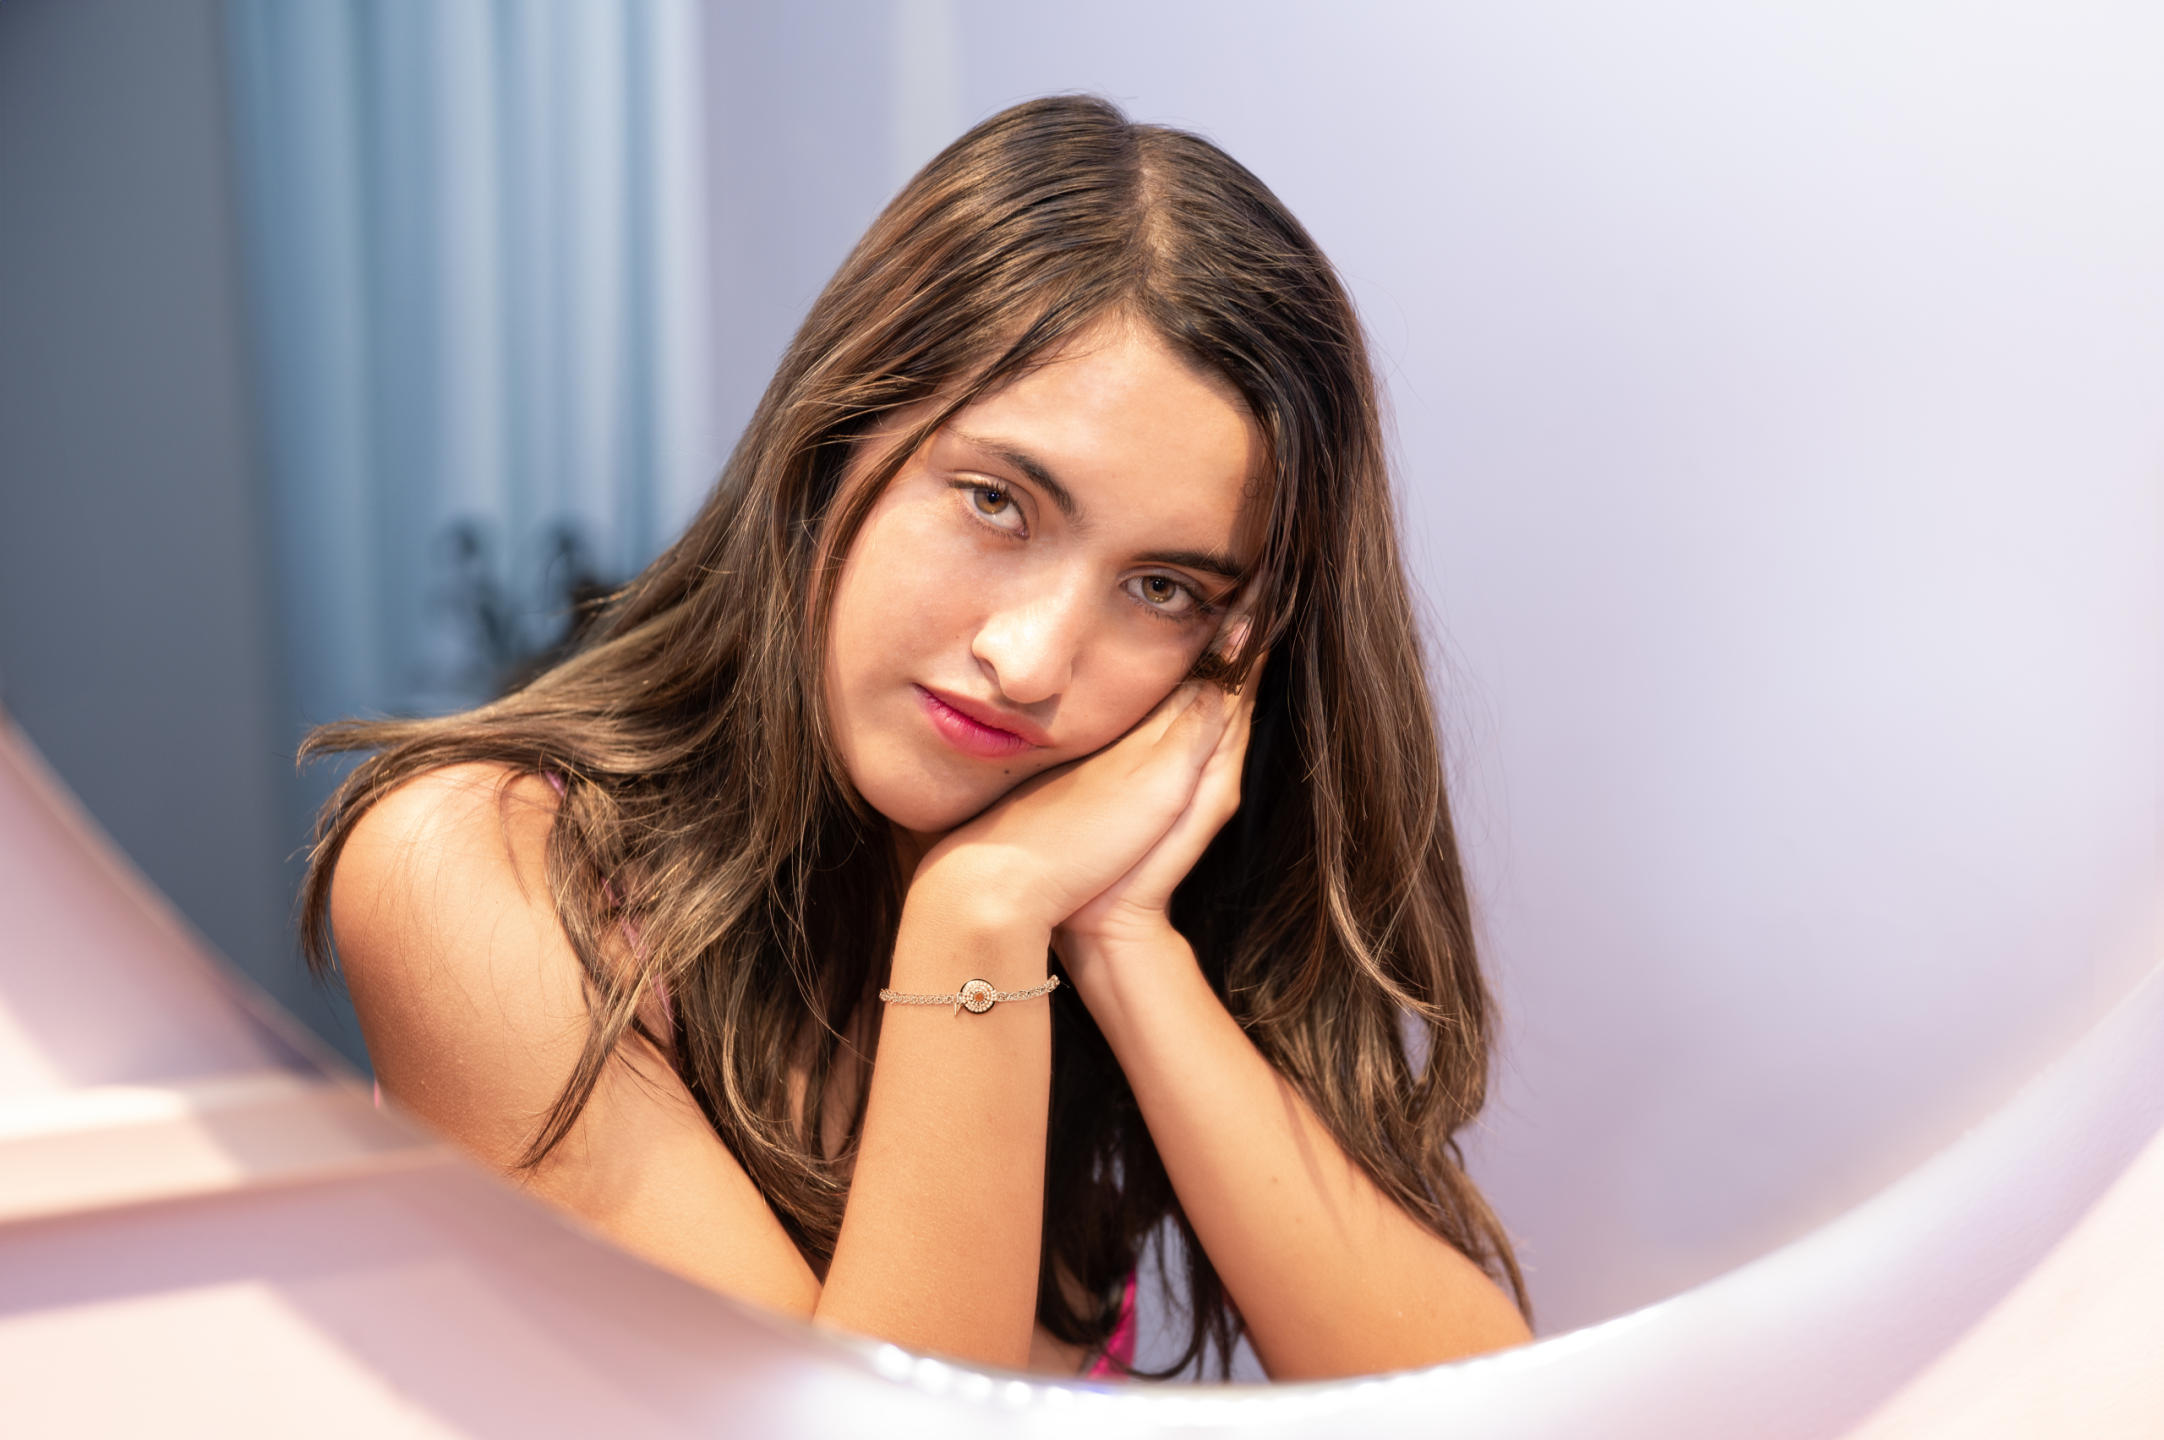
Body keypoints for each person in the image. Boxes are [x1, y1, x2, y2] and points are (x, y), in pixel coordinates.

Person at [299, 93, 1534, 1383]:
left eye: (1163, 588)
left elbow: (1481, 1405)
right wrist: (980, 922)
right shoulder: (475, 863)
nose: (1034, 661)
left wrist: (1121, 946)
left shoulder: (1096, 879)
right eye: (997, 502)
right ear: (839, 435)